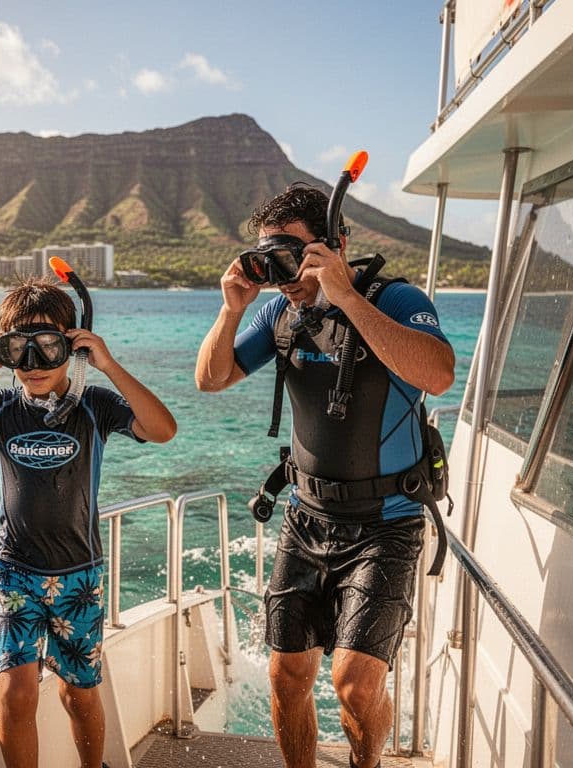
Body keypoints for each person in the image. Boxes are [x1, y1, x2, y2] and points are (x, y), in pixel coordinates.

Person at [194, 184, 454, 768]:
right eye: (269, 261)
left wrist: (346, 297)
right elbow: (210, 379)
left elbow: (438, 374)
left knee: (355, 684)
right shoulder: (280, 313)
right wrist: (232, 307)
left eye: (291, 256)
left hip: (386, 521)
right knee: (287, 676)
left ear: (334, 244)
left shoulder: (394, 298)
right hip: (306, 517)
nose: (281, 275)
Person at [0, 278, 176, 768]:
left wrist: (109, 365)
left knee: (80, 694)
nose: (32, 365)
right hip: (16, 572)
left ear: (72, 345)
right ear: (3, 352)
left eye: (48, 347)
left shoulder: (94, 406)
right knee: (15, 696)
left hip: (81, 573)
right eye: (19, 350)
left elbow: (162, 429)